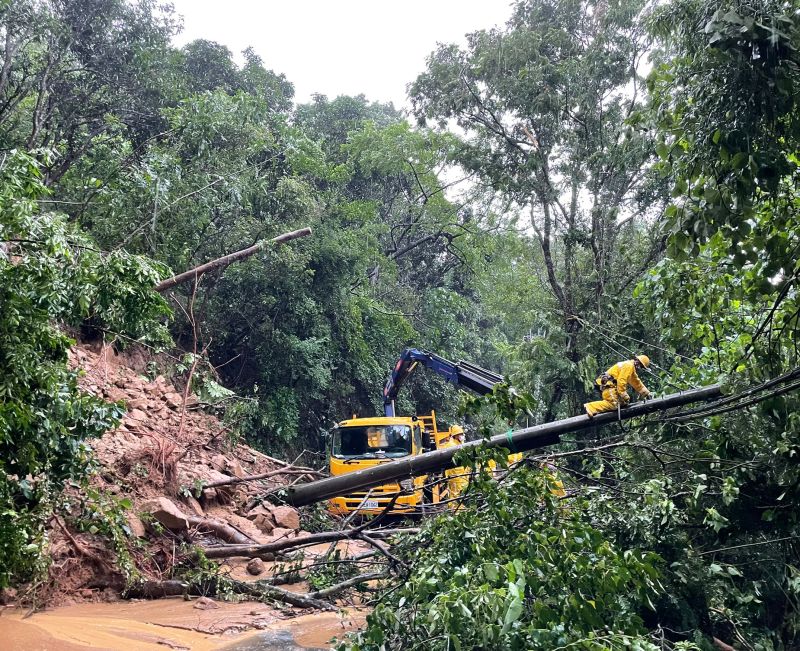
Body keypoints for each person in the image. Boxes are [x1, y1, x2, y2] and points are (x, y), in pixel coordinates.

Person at [584, 355, 652, 418]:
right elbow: (621, 381)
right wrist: (624, 395)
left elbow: (636, 382)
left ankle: (594, 408)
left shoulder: (631, 368)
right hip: (609, 386)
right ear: (637, 361)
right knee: (614, 404)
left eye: (642, 367)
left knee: (623, 404)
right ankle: (591, 407)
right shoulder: (629, 366)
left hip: (611, 387)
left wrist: (646, 393)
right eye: (641, 365)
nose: (639, 367)